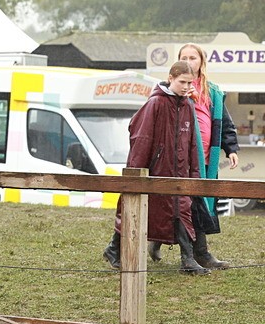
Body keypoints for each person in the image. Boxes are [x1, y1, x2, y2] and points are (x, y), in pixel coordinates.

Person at [101, 61, 214, 275]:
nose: (186, 87)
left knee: (181, 210)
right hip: (156, 170)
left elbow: (193, 143)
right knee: (136, 209)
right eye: (182, 82)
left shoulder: (188, 105)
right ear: (171, 78)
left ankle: (187, 259)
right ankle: (114, 248)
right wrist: (136, 171)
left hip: (179, 172)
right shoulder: (155, 103)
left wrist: (194, 174)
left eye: (189, 83)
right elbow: (141, 137)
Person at [147, 43, 240, 268]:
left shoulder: (213, 91)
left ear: (201, 62)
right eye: (184, 57)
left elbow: (224, 123)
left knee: (199, 204)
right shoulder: (173, 89)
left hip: (207, 157)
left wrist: (231, 149)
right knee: (185, 204)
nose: (189, 61)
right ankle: (198, 254)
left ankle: (165, 243)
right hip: (182, 158)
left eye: (193, 58)